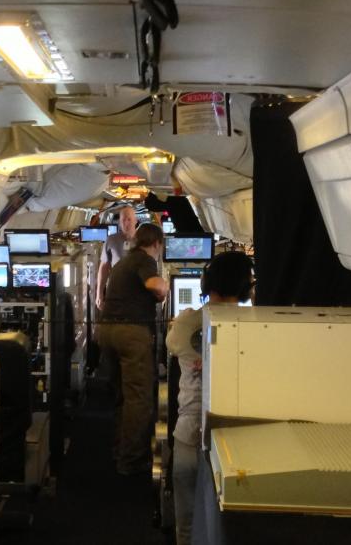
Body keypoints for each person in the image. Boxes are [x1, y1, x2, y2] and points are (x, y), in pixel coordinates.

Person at [165, 251, 254, 545]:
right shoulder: (255, 325)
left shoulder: (186, 323)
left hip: (189, 436)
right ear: (247, 287)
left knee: (187, 527)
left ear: (206, 283)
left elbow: (173, 346)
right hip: (236, 446)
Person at [97, 223, 169, 475]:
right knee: (139, 398)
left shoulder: (123, 262)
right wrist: (165, 288)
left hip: (107, 330)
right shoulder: (144, 259)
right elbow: (155, 285)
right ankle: (132, 461)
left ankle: (120, 448)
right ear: (157, 244)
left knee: (122, 395)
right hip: (131, 334)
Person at [95, 205, 137, 310]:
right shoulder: (111, 240)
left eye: (129, 219)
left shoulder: (143, 240)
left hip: (137, 292)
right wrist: (99, 293)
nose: (126, 223)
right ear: (119, 222)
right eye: (123, 220)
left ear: (135, 221)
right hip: (115, 291)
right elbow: (104, 268)